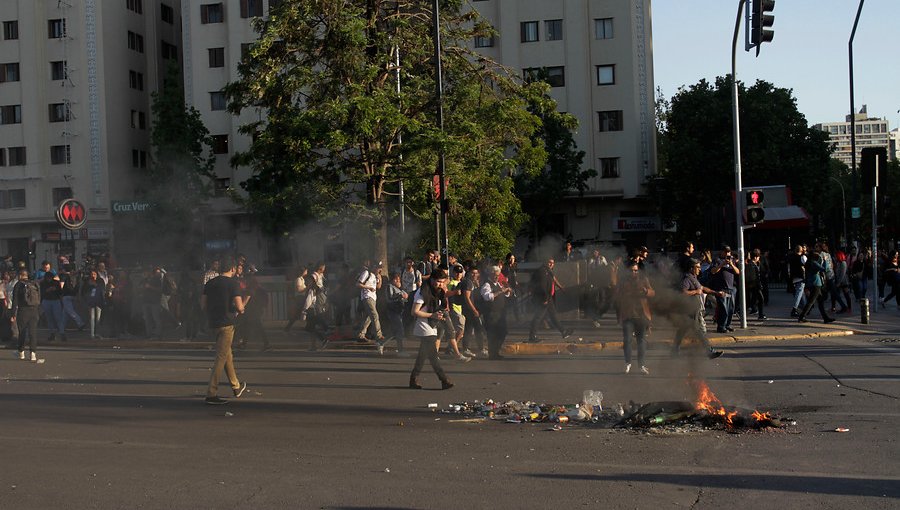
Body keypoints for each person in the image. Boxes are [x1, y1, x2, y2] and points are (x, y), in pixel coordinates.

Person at [202, 257, 249, 405]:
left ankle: (236, 387)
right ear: (233, 269)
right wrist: (241, 308)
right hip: (227, 323)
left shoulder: (210, 283)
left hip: (212, 323)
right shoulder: (233, 284)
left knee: (227, 355)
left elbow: (202, 304)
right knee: (221, 357)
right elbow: (239, 306)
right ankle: (211, 393)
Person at [408, 268, 454, 391]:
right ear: (432, 279)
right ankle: (444, 379)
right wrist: (432, 315)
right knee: (433, 355)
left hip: (431, 324)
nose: (439, 284)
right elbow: (414, 312)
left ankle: (413, 378)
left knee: (423, 355)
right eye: (438, 281)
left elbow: (439, 305)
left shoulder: (438, 290)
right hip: (423, 324)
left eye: (442, 282)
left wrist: (439, 314)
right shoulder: (422, 292)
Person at [672, 260, 724, 359]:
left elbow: (703, 288)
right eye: (697, 267)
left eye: (700, 267)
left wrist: (716, 293)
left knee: (682, 330)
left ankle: (674, 351)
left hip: (695, 310)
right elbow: (683, 292)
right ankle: (709, 352)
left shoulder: (694, 278)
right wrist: (696, 291)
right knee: (699, 330)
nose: (699, 269)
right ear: (692, 268)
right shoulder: (687, 279)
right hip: (690, 310)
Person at [615, 259, 655, 374]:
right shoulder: (623, 282)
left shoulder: (643, 280)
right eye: (632, 271)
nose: (634, 273)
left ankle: (641, 365)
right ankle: (628, 363)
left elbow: (653, 292)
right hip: (628, 315)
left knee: (641, 341)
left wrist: (646, 291)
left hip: (641, 316)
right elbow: (616, 295)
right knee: (627, 340)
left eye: (636, 271)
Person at [526, 258, 573, 343]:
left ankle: (563, 332)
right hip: (543, 298)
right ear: (545, 263)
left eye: (553, 263)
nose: (551, 264)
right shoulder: (542, 271)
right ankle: (532, 337)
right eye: (549, 262)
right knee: (538, 317)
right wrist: (544, 299)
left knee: (553, 315)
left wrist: (561, 287)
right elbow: (542, 286)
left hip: (548, 298)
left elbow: (554, 280)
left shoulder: (549, 271)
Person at [480, 266, 512, 359]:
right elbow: (487, 297)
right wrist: (500, 291)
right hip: (491, 314)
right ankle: (493, 354)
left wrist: (507, 291)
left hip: (500, 313)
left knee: (503, 332)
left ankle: (496, 351)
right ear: (490, 274)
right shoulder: (487, 285)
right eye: (495, 275)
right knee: (493, 334)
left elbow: (505, 294)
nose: (497, 277)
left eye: (498, 275)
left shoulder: (498, 283)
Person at [11, 269, 43, 362]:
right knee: (33, 332)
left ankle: (21, 352)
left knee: (22, 332)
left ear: (20, 275)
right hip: (34, 310)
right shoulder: (34, 284)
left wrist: (13, 314)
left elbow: (15, 300)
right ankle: (33, 353)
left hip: (23, 310)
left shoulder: (18, 285)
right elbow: (39, 297)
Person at [798, 248, 835, 324]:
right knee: (811, 302)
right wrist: (824, 261)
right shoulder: (814, 263)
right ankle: (801, 317)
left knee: (820, 302)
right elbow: (824, 269)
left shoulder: (809, 263)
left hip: (812, 283)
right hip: (816, 284)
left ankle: (825, 318)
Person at [709, 246, 740, 333]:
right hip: (721, 288)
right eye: (726, 252)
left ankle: (727, 325)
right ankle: (721, 326)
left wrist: (731, 264)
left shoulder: (732, 260)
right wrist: (722, 264)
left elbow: (738, 272)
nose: (727, 254)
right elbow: (713, 271)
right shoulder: (717, 260)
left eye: (729, 252)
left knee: (731, 309)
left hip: (731, 288)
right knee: (724, 308)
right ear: (722, 252)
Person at [356, 260, 384, 343]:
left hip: (373, 298)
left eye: (380, 268)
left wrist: (380, 278)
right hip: (367, 297)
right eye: (378, 268)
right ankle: (379, 335)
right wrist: (368, 287)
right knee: (375, 315)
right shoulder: (366, 273)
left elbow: (378, 287)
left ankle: (361, 334)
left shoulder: (375, 276)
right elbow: (358, 284)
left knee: (368, 317)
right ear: (374, 267)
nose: (379, 270)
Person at [380, 272, 407, 355]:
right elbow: (389, 298)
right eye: (398, 280)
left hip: (399, 311)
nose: (399, 282)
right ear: (394, 280)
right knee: (399, 330)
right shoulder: (389, 287)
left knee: (395, 330)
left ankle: (381, 342)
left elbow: (405, 295)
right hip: (393, 311)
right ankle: (400, 350)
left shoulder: (399, 288)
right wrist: (400, 296)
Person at [40, 272, 67, 342]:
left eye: (50, 278)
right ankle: (52, 333)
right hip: (47, 300)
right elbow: (41, 293)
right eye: (47, 278)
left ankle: (62, 333)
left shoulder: (56, 283)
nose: (49, 279)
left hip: (55, 300)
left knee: (58, 318)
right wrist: (48, 290)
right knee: (49, 318)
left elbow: (61, 292)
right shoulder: (43, 283)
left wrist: (56, 289)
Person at [83, 269, 106, 339]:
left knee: (98, 318)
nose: (93, 276)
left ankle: (98, 333)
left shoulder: (100, 281)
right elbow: (84, 291)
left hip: (98, 301)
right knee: (92, 318)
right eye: (92, 274)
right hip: (91, 302)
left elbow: (102, 289)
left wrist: (95, 284)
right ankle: (92, 334)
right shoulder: (88, 282)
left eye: (94, 274)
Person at [745, 249, 766, 320]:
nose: (759, 258)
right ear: (755, 257)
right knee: (761, 299)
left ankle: (754, 309)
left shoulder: (755, 264)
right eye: (758, 257)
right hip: (755, 285)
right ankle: (761, 314)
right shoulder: (751, 265)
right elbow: (752, 276)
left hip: (755, 285)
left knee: (754, 299)